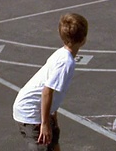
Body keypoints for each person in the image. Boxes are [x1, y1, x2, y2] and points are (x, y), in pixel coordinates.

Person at [13, 13, 88, 151]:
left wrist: (52, 116)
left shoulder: (63, 54)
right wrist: (45, 123)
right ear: (83, 39)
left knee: (54, 143)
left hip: (41, 111)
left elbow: (53, 93)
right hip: (30, 113)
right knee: (43, 145)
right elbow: (47, 91)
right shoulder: (66, 62)